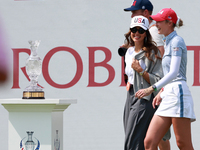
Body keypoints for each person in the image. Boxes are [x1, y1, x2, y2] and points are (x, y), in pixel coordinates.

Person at [135, 8, 196, 150]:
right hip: (168, 93)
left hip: (178, 95)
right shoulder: (167, 42)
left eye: (159, 21)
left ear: (170, 23)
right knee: (149, 142)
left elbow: (174, 72)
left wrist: (152, 88)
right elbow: (169, 73)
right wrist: (162, 91)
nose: (156, 24)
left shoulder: (177, 41)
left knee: (183, 144)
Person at [123, 1, 171, 149]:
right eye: (134, 29)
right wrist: (130, 81)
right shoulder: (129, 51)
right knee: (140, 139)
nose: (136, 32)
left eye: (140, 30)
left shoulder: (153, 44)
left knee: (137, 141)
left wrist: (141, 72)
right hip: (131, 96)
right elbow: (130, 73)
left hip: (147, 96)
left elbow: (161, 72)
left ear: (146, 32)